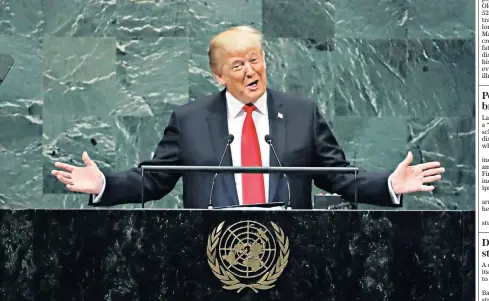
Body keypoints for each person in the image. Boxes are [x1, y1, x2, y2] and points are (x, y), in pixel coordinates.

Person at [51, 26, 445, 209]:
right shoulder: (190, 119)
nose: (251, 71)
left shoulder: (300, 112)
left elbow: (337, 175)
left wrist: (389, 184)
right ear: (218, 76)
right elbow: (153, 180)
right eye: (237, 65)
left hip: (293, 253)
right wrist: (103, 184)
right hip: (210, 251)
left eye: (255, 60)